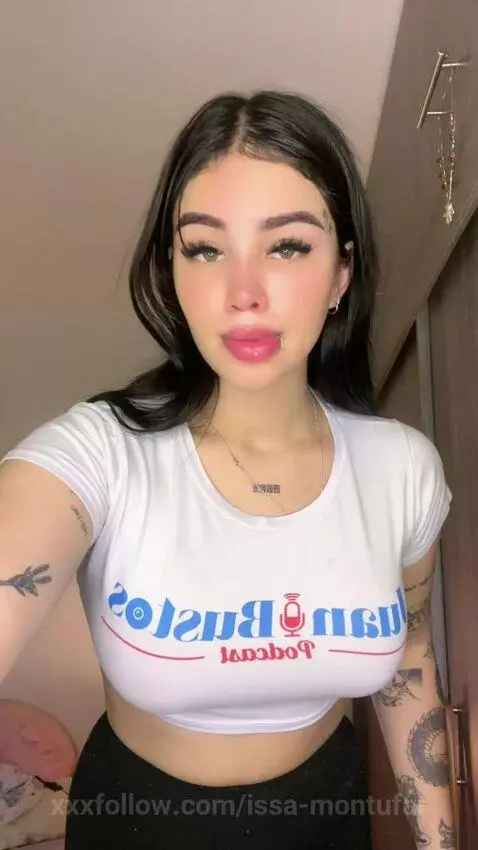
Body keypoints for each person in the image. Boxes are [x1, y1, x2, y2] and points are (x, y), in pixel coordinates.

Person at [0, 90, 455, 849]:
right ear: (172, 272)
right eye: (205, 249)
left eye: (288, 246)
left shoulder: (402, 470)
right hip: (138, 821)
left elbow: (409, 659)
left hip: (330, 813)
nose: (242, 294)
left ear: (341, 274)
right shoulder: (100, 453)